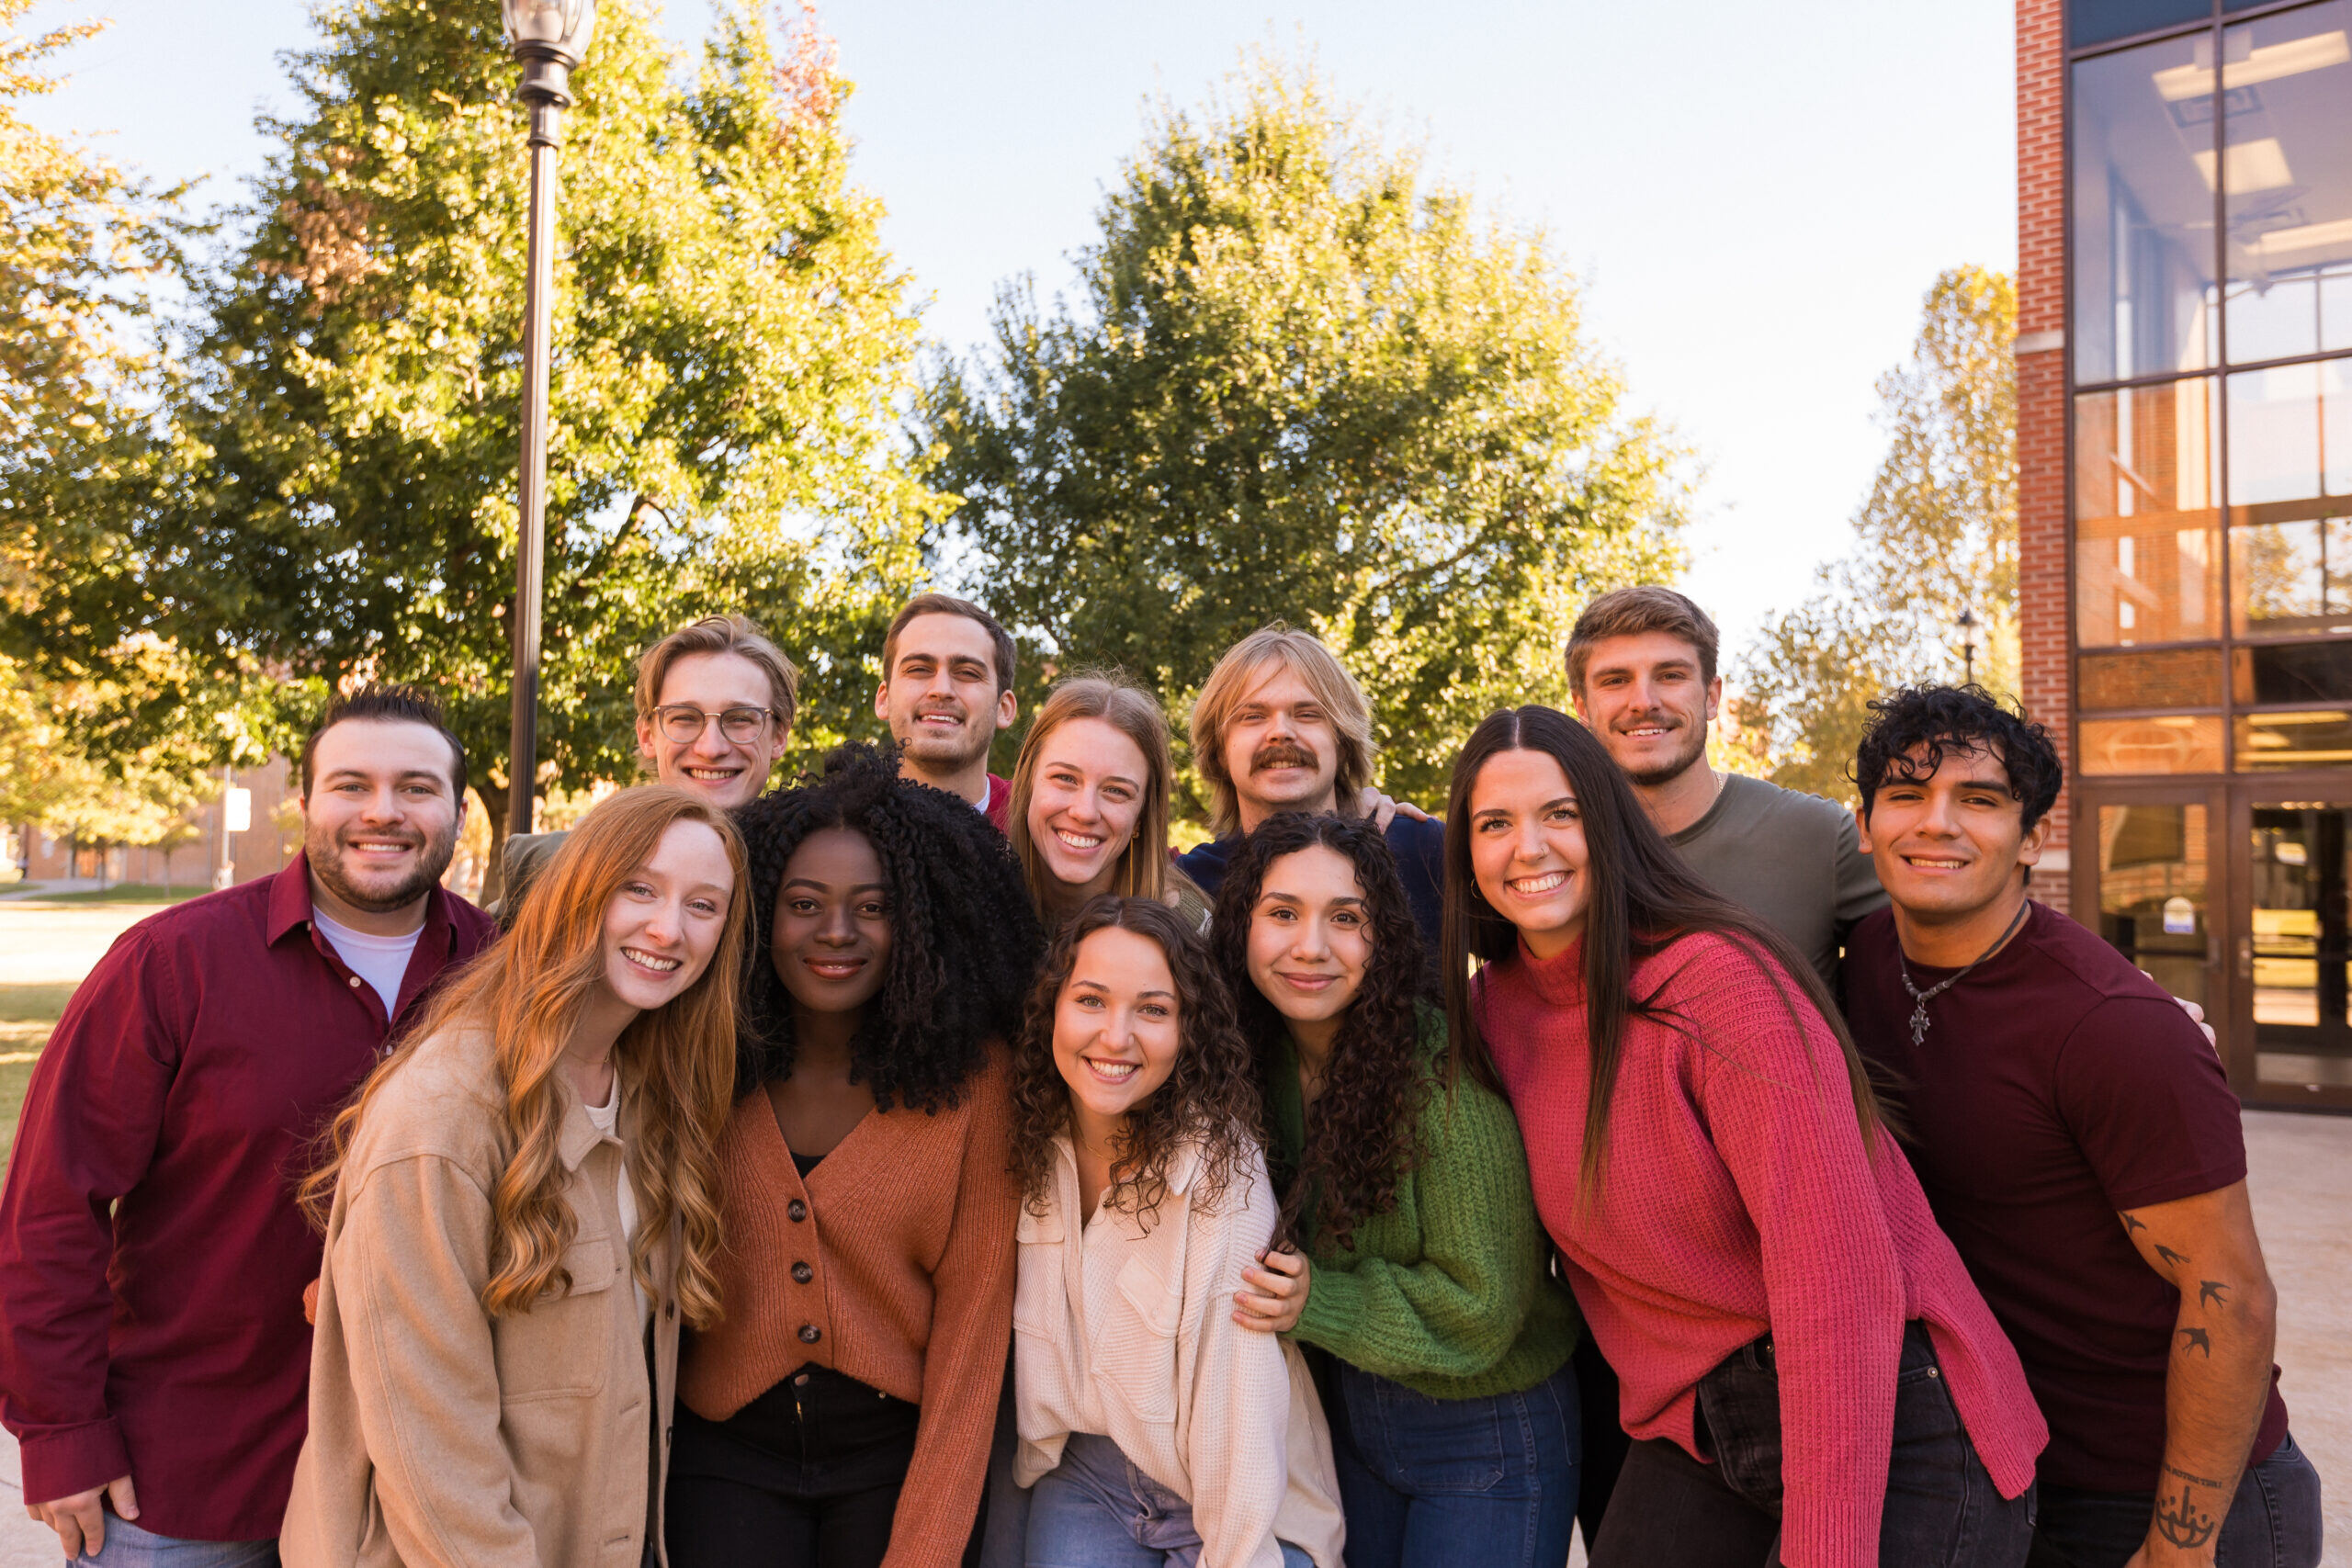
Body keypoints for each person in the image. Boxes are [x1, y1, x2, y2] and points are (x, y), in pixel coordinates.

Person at [1446, 705, 2046, 1568]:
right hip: (1702, 1427)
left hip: (1893, 1413)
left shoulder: (1719, 984)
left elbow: (1839, 1276)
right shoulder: (1491, 1016)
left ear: (1608, 825)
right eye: (1493, 822)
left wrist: (1827, 1548)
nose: (1527, 847)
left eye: (1561, 813)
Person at [0, 686, 493, 1564]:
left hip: (418, 1479)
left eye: (417, 787)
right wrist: (61, 1429)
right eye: (352, 785)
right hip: (189, 1480)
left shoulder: (503, 973)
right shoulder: (171, 963)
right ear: (304, 805)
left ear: (458, 810)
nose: (383, 811)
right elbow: (51, 1204)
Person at [1839, 686, 2322, 1568]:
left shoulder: (2114, 1028)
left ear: (2033, 838)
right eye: (1907, 794)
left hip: (2176, 1496)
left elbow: (2234, 1297)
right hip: (2010, 1471)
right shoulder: (1867, 959)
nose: (1936, 823)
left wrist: (2181, 1546)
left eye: (1978, 800)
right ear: (1865, 822)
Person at [280, 785, 747, 1566]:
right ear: (578, 891)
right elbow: (430, 1440)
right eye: (640, 888)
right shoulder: (442, 1116)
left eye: (705, 905)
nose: (670, 928)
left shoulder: (644, 1093)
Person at [666, 743, 1038, 1568]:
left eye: (872, 907)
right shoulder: (699, 1061)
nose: (835, 932)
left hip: (896, 1460)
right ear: (761, 911)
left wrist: (928, 1549)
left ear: (919, 915)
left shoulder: (976, 1083)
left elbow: (974, 1343)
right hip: (720, 1460)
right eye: (804, 903)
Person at [1215, 813, 1583, 1568]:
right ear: (1240, 927)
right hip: (1354, 1420)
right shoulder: (1254, 1060)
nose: (1310, 946)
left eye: (1345, 919)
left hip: (1487, 1425)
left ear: (1382, 938)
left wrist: (1317, 1301)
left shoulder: (1439, 1075)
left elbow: (1485, 1306)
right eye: (1282, 913)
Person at [1003, 896, 1344, 1568]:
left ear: (1189, 1030)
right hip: (1086, 1477)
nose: (1115, 1036)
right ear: (1052, 1009)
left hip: (1235, 1492)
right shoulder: (1032, 1136)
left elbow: (1237, 1414)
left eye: (1153, 1009)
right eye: (1091, 1000)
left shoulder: (1221, 1171)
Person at [1565, 585, 1883, 987]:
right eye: (1615, 680)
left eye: (1670, 675)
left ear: (1712, 697)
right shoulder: (1553, 854)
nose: (1643, 701)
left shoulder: (1819, 837)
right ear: (1582, 708)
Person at [501, 613, 800, 919]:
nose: (711, 749)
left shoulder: (812, 884)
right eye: (684, 718)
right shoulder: (554, 868)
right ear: (647, 735)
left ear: (779, 736)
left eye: (739, 719)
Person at [1178, 625, 1444, 953]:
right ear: (1219, 751)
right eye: (1253, 716)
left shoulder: (1424, 850)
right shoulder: (1191, 884)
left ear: (1343, 742)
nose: (1281, 732)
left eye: (1307, 714)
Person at [1008, 672, 1213, 932]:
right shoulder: (970, 900)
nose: (1085, 812)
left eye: (1116, 790)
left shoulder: (1189, 930)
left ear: (1141, 817)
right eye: (1065, 778)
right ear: (1028, 785)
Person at [876, 593, 1020, 831]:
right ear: (884, 699)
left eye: (968, 673)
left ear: (1003, 708)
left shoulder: (1039, 826)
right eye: (919, 669)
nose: (941, 690)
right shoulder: (835, 828)